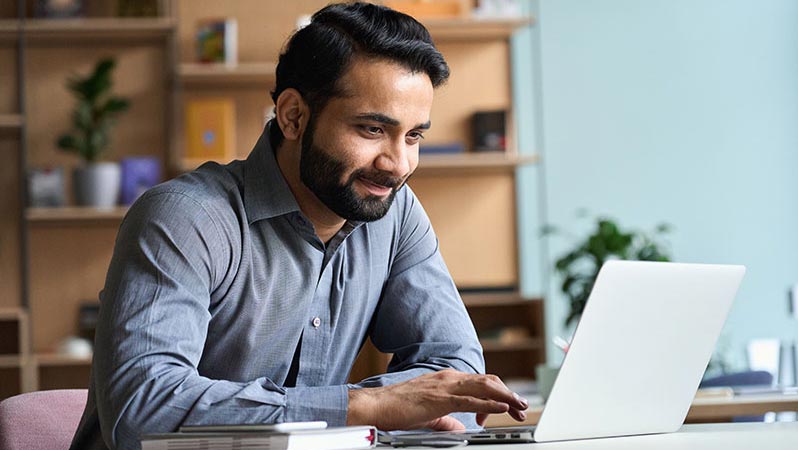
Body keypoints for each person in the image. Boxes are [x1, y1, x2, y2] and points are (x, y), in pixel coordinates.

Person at [70, 3, 527, 449]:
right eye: (371, 130)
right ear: (293, 116)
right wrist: (363, 407)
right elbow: (142, 412)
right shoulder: (184, 218)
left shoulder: (396, 213)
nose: (398, 164)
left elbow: (456, 368)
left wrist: (397, 408)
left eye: (413, 136)